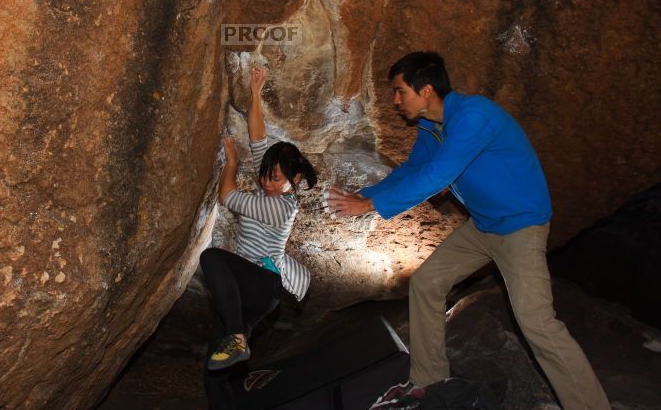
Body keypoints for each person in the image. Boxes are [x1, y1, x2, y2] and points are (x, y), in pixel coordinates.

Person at [327, 52, 609, 409]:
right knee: (427, 283)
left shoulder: (473, 116)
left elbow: (436, 176)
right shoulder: (432, 125)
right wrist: (364, 195)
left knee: (538, 324)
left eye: (400, 92)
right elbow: (415, 168)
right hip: (484, 227)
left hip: (521, 227)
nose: (395, 101)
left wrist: (370, 207)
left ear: (426, 90)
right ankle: (428, 382)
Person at [200, 66, 317, 371]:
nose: (268, 182)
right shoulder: (271, 188)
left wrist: (231, 165)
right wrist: (255, 92)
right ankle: (236, 345)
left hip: (262, 283)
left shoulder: (281, 207)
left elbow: (227, 197)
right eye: (265, 175)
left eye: (276, 178)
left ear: (296, 178)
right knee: (217, 361)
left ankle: (238, 337)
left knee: (212, 258)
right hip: (248, 287)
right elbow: (258, 138)